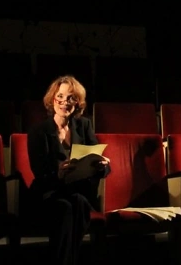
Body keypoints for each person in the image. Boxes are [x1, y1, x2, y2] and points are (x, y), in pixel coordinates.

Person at [27, 75, 111, 265]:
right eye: (60, 96)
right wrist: (58, 174)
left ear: (77, 103)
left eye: (71, 98)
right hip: (48, 193)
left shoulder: (84, 125)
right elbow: (39, 174)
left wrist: (102, 166)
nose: (65, 102)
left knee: (79, 202)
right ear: (52, 99)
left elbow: (95, 157)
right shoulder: (38, 131)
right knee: (65, 207)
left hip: (76, 192)